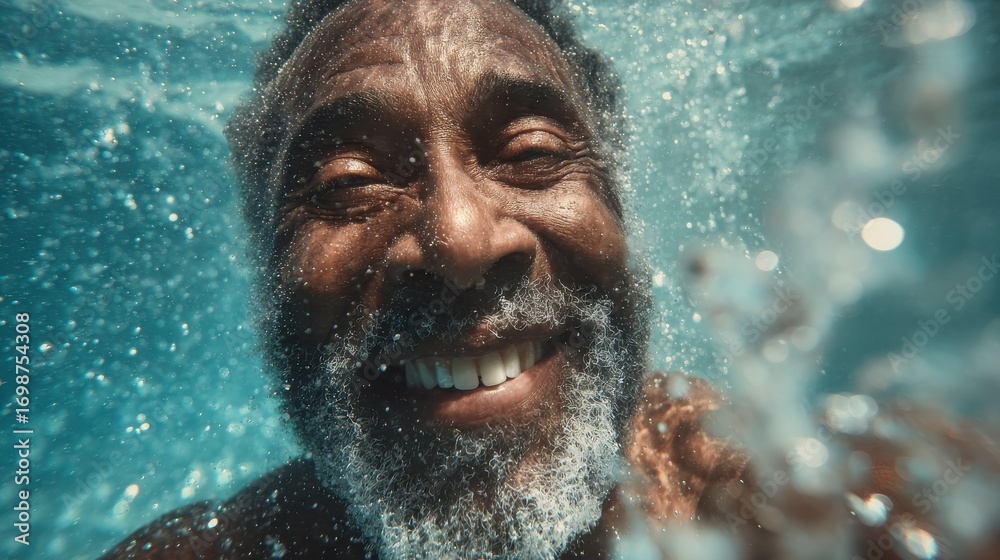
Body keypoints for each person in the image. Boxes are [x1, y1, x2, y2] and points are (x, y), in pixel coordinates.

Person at [103, 1, 999, 559]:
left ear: (620, 212)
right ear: (267, 280)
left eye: (531, 152)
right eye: (348, 183)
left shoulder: (848, 512)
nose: (459, 237)